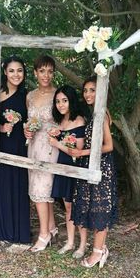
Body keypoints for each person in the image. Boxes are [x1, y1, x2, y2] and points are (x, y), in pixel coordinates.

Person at [0, 55, 30, 244]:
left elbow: (32, 120)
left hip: (18, 145)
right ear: (5, 72)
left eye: (19, 70)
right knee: (0, 185)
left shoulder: (27, 95)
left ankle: (19, 231)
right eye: (11, 71)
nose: (16, 74)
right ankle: (2, 229)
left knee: (18, 185)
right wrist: (0, 127)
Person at [69, 75, 118, 268]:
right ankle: (100, 248)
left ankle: (98, 253)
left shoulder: (101, 114)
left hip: (102, 167)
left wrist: (83, 152)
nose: (88, 94)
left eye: (92, 90)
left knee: (100, 209)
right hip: (91, 165)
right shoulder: (95, 113)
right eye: (86, 90)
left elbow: (109, 146)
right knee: (94, 208)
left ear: (101, 92)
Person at [25, 55, 59, 252]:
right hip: (33, 147)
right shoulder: (29, 96)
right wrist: (26, 130)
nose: (46, 75)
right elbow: (30, 121)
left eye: (50, 71)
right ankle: (52, 228)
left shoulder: (58, 95)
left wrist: (58, 132)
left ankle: (44, 235)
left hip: (50, 146)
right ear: (35, 72)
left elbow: (65, 121)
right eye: (42, 71)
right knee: (38, 189)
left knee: (42, 190)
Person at [49, 85, 87, 259]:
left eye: (64, 100)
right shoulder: (61, 122)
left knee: (78, 206)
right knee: (68, 206)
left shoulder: (79, 120)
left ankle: (82, 245)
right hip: (62, 167)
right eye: (57, 101)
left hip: (75, 168)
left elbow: (77, 149)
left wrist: (56, 142)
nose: (61, 105)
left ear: (71, 100)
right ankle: (70, 242)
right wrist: (55, 133)